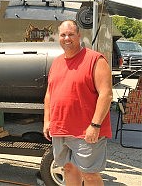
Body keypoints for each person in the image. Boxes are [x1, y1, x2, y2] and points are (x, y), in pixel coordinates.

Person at [43, 20, 113, 186]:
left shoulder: (96, 60)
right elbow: (49, 94)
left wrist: (95, 126)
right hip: (61, 128)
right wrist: (47, 120)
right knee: (67, 168)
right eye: (63, 35)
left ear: (79, 36)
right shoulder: (57, 62)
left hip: (86, 131)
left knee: (89, 175)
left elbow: (106, 94)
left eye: (71, 34)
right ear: (58, 37)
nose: (67, 38)